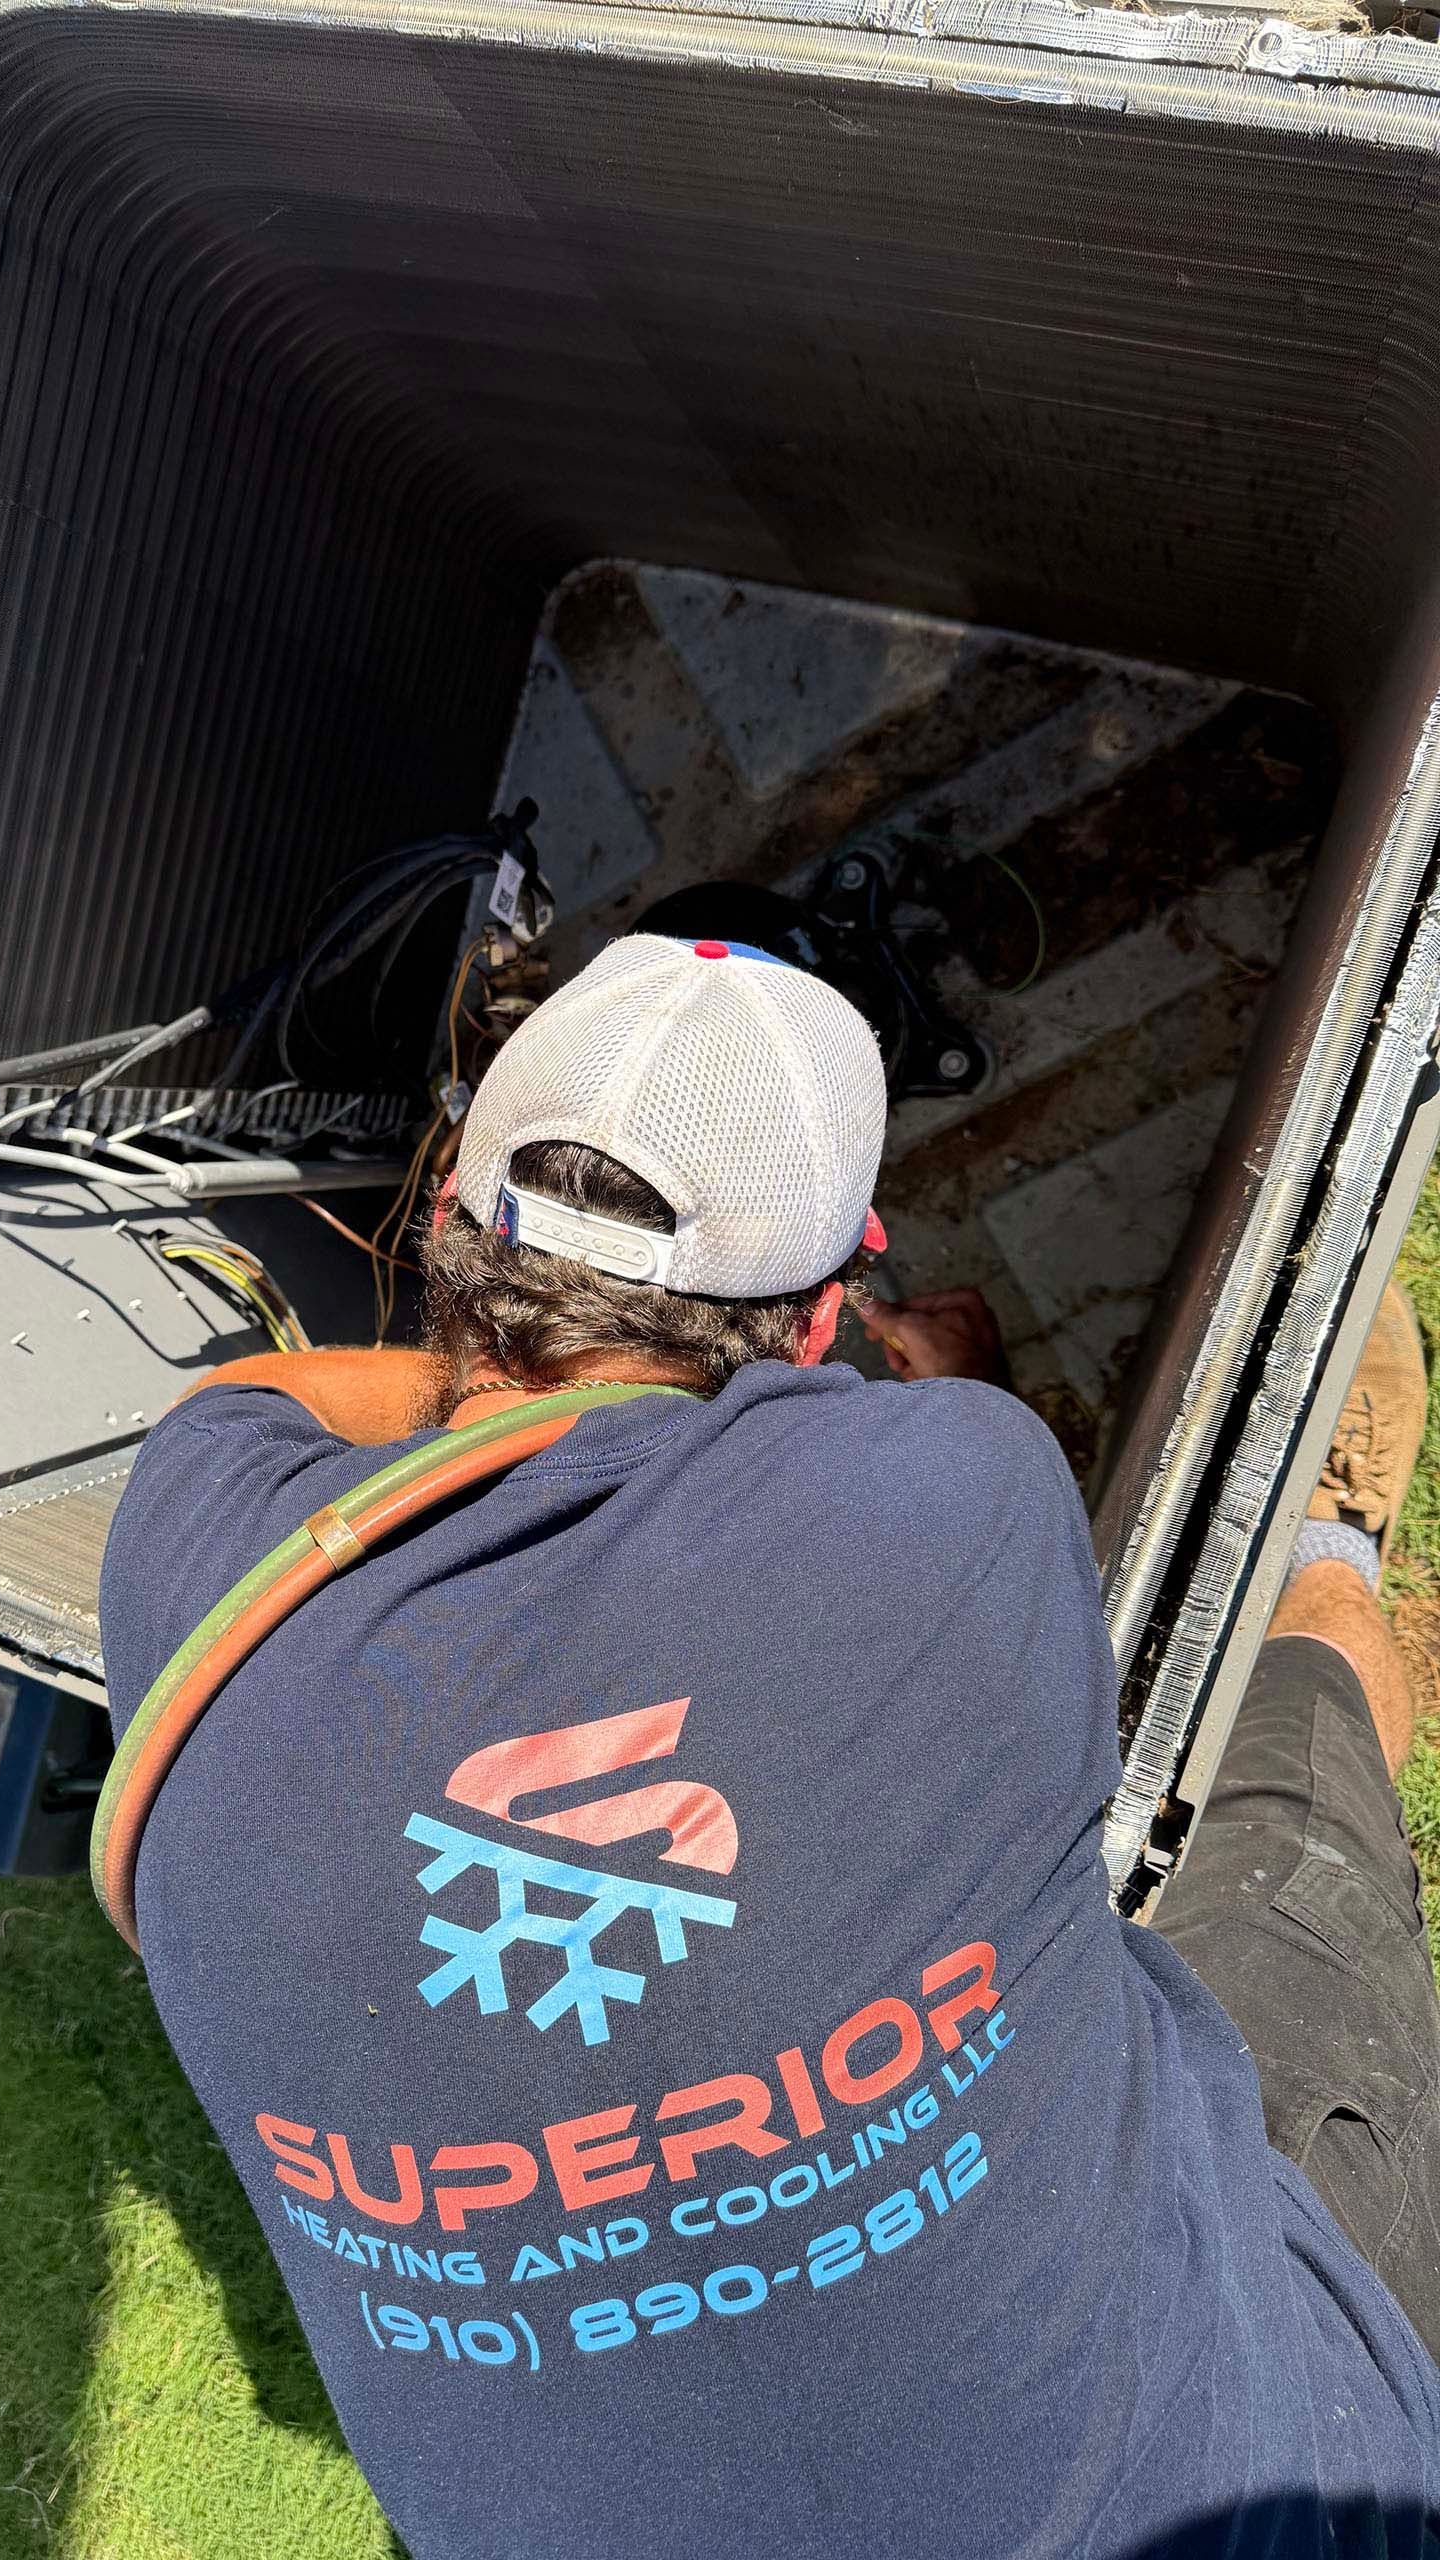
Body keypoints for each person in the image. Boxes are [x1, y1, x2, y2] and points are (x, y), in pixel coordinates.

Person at [99, 932, 1440, 2559]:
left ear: (447, 1208)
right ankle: (1332, 1548)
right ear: (822, 1324)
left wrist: (504, 1386)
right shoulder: (961, 1490)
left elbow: (258, 1400)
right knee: (1301, 1826)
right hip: (1265, 2474)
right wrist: (909, 1393)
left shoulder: (199, 1573)